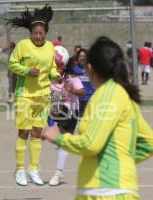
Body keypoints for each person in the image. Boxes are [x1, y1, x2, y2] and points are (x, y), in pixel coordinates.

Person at [42, 36, 153, 200]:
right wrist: (120, 161)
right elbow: (148, 143)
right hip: (110, 190)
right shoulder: (121, 93)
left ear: (91, 67)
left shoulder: (107, 95)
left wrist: (59, 138)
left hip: (105, 192)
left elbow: (91, 144)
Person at [6, 4, 60, 186]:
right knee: (24, 132)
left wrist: (56, 75)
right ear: (30, 33)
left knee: (37, 133)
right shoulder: (23, 45)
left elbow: (51, 68)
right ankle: (19, 169)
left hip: (43, 95)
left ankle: (34, 169)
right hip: (25, 94)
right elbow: (12, 64)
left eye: (41, 33)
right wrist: (27, 71)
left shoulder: (50, 47)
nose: (38, 36)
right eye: (35, 33)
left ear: (46, 33)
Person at [49, 56, 85, 186]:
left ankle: (58, 173)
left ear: (64, 65)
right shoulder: (50, 78)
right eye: (54, 64)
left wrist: (72, 90)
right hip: (56, 110)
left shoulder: (71, 78)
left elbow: (82, 91)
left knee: (62, 140)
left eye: (59, 64)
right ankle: (58, 171)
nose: (57, 66)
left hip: (70, 110)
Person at [72, 48, 95, 117]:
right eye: (80, 56)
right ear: (77, 57)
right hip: (77, 100)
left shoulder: (91, 68)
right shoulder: (73, 68)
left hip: (89, 99)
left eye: (84, 56)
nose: (82, 58)